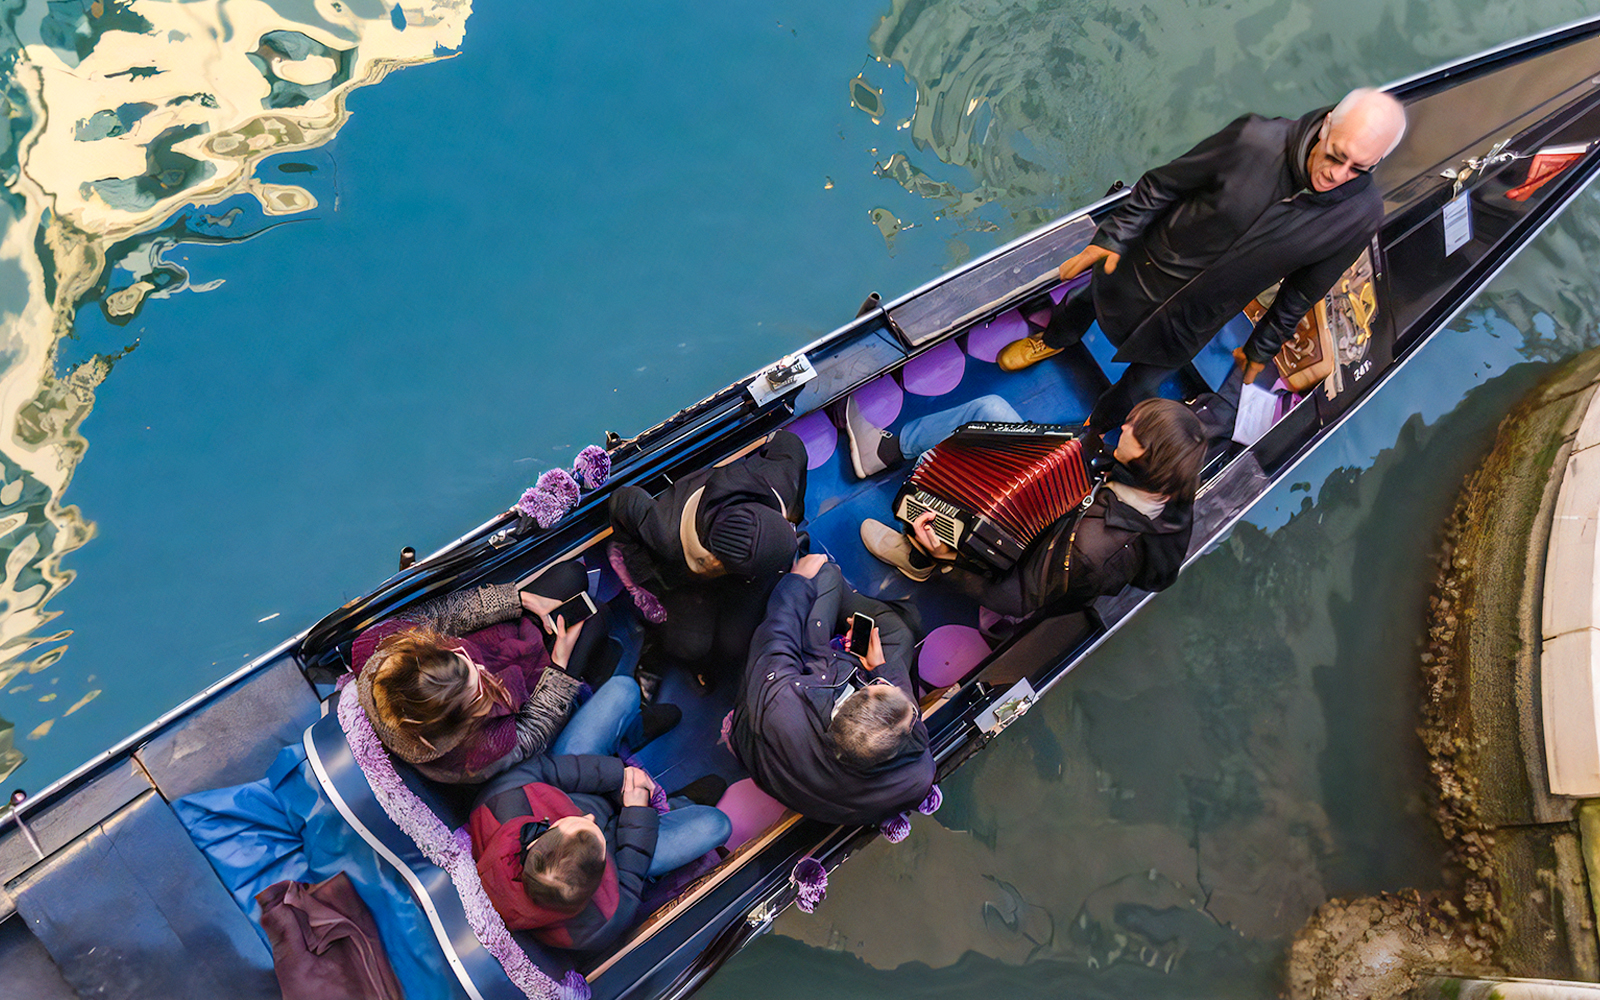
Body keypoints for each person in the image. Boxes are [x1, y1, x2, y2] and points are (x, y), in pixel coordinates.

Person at [997, 88, 1406, 434]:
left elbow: (1302, 292)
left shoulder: (1361, 215)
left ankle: (1094, 429)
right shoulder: (1252, 139)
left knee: (1140, 387)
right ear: (1329, 123)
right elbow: (1162, 185)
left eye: (1359, 169)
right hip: (1146, 267)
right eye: (1336, 156)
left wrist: (1261, 348)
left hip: (1197, 317)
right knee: (1084, 302)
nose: (1338, 175)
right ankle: (1052, 340)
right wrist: (1114, 237)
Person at [858, 398, 1205, 618]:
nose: (1125, 426)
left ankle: (920, 558)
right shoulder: (1172, 481)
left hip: (1039, 558)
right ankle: (886, 451)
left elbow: (1016, 598)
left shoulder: (1093, 550)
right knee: (989, 411)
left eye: (1135, 431)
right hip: (1065, 516)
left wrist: (948, 560)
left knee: (937, 516)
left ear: (1147, 457)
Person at [467, 675, 731, 952]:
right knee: (717, 825)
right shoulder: (596, 926)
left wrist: (621, 774)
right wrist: (637, 811)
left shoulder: (500, 804)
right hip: (626, 840)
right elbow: (630, 879)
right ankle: (679, 804)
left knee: (623, 688)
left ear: (535, 841)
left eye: (577, 824)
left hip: (580, 786)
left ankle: (636, 732)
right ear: (597, 883)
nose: (588, 818)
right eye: (592, 830)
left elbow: (549, 769)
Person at [351, 560, 672, 784]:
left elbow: (448, 612)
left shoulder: (376, 645)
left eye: (465, 662)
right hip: (531, 689)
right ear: (464, 724)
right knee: (595, 621)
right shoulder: (471, 757)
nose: (479, 667)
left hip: (500, 641)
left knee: (571, 575)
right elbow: (531, 732)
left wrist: (520, 599)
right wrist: (558, 664)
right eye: (477, 690)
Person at [727, 553, 934, 826]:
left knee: (822, 575)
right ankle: (839, 600)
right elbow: (902, 709)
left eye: (880, 686)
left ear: (851, 700)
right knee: (898, 635)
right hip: (823, 772)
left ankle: (828, 580)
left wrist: (797, 581)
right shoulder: (917, 772)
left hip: (775, 723)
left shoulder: (781, 709)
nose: (888, 683)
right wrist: (879, 668)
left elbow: (776, 638)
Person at [608, 430, 808, 687]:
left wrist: (795, 513)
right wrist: (647, 581)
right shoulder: (666, 532)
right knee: (691, 645)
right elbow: (621, 501)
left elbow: (791, 441)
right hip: (687, 579)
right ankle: (654, 654)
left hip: (749, 578)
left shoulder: (781, 482)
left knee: (736, 644)